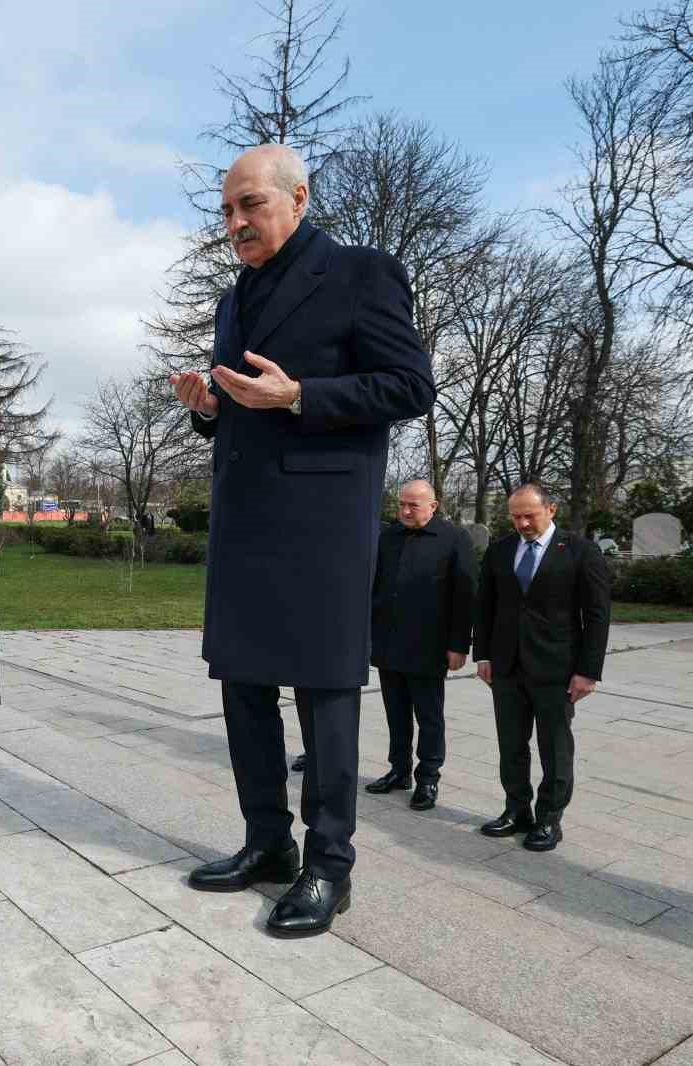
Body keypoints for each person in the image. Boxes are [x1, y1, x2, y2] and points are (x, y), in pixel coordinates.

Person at [168, 144, 435, 937]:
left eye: (249, 205)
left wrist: (300, 396)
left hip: (323, 524)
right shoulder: (232, 298)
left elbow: (409, 385)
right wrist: (205, 407)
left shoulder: (362, 272)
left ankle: (329, 867)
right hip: (245, 515)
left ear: (299, 196)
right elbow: (231, 394)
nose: (236, 223)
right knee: (243, 688)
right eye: (226, 211)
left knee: (322, 697)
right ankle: (267, 846)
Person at [474, 484, 610, 851]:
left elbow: (597, 615)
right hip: (507, 665)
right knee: (511, 744)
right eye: (516, 516)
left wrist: (588, 671)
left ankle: (549, 818)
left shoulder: (580, 551)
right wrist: (482, 654)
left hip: (557, 668)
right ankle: (516, 810)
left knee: (554, 746)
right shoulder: (500, 550)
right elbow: (486, 605)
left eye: (529, 515)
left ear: (551, 510)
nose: (522, 523)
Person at [365, 480, 477, 811]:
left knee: (428, 715)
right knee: (395, 712)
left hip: (429, 644)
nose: (405, 511)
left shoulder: (454, 539)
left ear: (433, 505)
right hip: (388, 640)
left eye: (413, 505)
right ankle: (398, 770)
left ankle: (428, 778)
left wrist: (459, 644)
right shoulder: (388, 537)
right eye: (401, 504)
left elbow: (466, 594)